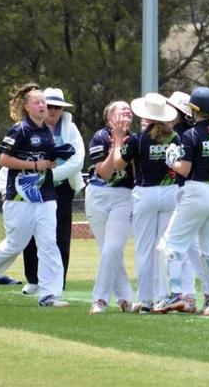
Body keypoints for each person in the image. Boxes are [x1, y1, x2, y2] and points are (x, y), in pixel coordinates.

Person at [155, 87, 209, 316]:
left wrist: (171, 160)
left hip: (195, 191)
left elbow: (185, 168)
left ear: (194, 109)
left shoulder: (190, 135)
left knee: (170, 246)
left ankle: (174, 296)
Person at [0, 83, 68, 307]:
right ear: (26, 107)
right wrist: (34, 165)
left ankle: (48, 295)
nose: (43, 105)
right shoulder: (19, 130)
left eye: (44, 101)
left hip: (45, 197)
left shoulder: (47, 131)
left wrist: (51, 161)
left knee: (48, 244)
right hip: (20, 199)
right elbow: (4, 160)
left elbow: (46, 160)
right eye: (37, 101)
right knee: (15, 245)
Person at [113, 93, 180, 314]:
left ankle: (145, 301)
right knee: (164, 248)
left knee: (144, 250)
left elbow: (117, 164)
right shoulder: (175, 138)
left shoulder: (137, 139)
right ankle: (164, 297)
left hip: (145, 194)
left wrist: (117, 141)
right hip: (170, 191)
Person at [19, 88, 85, 295]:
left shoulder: (70, 128)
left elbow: (78, 160)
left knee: (60, 235)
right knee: (30, 232)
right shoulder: (26, 129)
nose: (53, 110)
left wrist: (50, 177)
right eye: (49, 106)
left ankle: (58, 282)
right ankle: (33, 280)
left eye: (58, 107)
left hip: (62, 187)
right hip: (32, 186)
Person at [86, 101, 136, 314]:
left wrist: (120, 141)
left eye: (129, 109)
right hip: (97, 194)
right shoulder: (99, 137)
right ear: (109, 117)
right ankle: (125, 299)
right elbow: (105, 173)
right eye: (121, 108)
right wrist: (115, 142)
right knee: (107, 250)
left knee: (113, 248)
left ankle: (99, 299)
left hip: (124, 196)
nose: (127, 111)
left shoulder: (135, 139)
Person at [166, 91, 209, 314]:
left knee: (179, 247)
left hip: (187, 191)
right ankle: (208, 294)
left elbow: (183, 168)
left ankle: (183, 296)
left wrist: (172, 161)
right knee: (197, 249)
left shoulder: (181, 134)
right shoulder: (198, 132)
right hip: (203, 192)